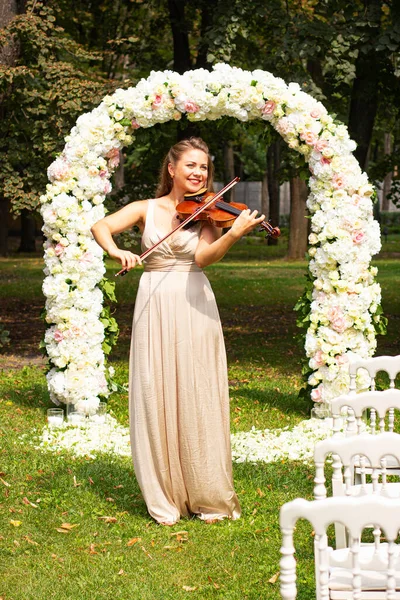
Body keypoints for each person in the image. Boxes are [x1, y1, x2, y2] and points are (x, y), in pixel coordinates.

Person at [91, 137, 265, 525]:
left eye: (203, 167)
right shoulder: (145, 208)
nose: (198, 173)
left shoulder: (206, 213)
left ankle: (206, 493)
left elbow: (203, 257)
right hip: (154, 300)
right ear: (172, 169)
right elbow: (101, 225)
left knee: (197, 387)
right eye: (191, 165)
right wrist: (116, 251)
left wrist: (233, 233)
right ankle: (165, 495)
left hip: (194, 302)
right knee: (156, 388)